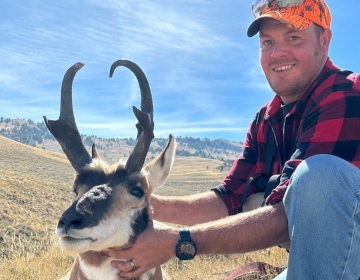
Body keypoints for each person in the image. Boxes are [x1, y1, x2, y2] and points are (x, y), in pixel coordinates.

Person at [105, 0, 360, 278]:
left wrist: (177, 241)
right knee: (256, 200)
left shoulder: (345, 96)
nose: (277, 53)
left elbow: (291, 217)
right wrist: (135, 203)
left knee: (319, 177)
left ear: (324, 41)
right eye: (267, 42)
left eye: (294, 37)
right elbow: (228, 199)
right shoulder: (267, 119)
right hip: (326, 258)